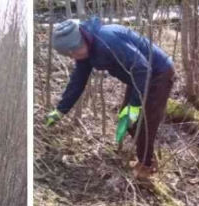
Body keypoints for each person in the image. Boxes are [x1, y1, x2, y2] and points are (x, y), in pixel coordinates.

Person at [45, 18, 175, 180]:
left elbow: (143, 68)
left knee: (144, 122)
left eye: (74, 51)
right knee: (127, 119)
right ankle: (146, 159)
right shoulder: (86, 52)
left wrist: (134, 106)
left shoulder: (108, 40)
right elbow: (77, 82)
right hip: (139, 77)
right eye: (69, 54)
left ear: (82, 39)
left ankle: (146, 167)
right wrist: (60, 110)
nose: (73, 56)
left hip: (158, 73)